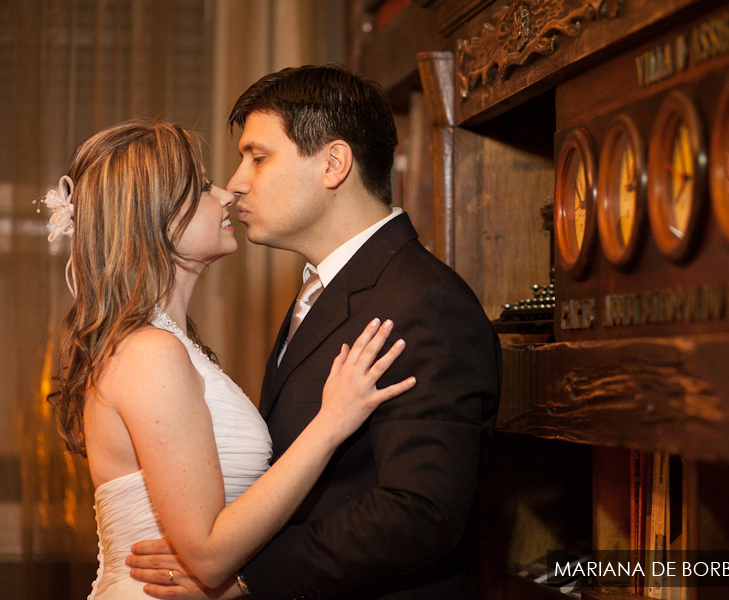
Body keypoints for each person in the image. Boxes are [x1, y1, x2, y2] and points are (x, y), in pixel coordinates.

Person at [129, 65, 502, 599]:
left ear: (333, 164)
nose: (236, 182)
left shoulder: (424, 302)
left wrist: (245, 575)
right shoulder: (327, 288)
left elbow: (421, 512)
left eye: (258, 157)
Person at [44, 119, 415, 600]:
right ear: (153, 216)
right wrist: (331, 422)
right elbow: (209, 554)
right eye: (200, 186)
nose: (225, 193)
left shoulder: (164, 342)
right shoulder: (149, 352)